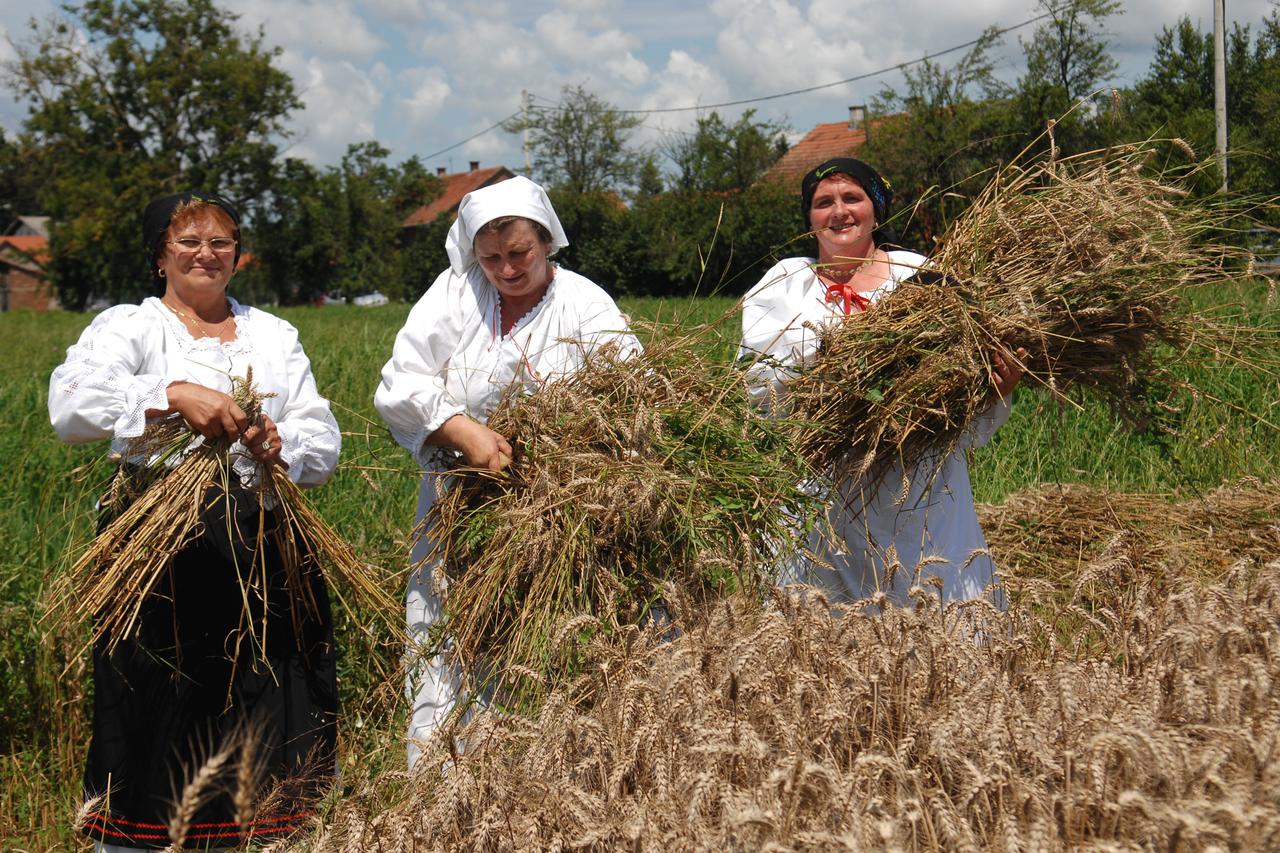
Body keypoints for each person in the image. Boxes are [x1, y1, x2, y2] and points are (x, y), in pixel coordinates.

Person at [48, 191, 341, 850]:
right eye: (188, 241)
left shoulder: (273, 334)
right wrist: (172, 395)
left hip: (263, 548)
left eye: (220, 242)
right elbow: (70, 406)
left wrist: (279, 442)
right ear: (160, 256)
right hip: (159, 554)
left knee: (269, 715)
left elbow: (321, 437)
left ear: (238, 256)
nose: (205, 254)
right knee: (158, 716)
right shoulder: (132, 327)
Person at [374, 175, 640, 768]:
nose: (507, 270)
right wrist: (460, 429)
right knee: (450, 636)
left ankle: (541, 784)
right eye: (491, 258)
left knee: (550, 642)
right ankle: (446, 787)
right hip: (458, 506)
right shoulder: (455, 294)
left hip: (557, 510)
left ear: (546, 241)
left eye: (519, 253)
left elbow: (628, 396)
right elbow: (400, 382)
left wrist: (563, 454)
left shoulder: (585, 304)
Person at [739, 158, 1022, 607]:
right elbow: (757, 381)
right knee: (826, 617)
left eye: (852, 198)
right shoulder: (785, 284)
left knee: (936, 605)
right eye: (823, 203)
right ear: (809, 218)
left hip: (919, 484)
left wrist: (996, 389)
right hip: (826, 488)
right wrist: (837, 362)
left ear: (876, 209)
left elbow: (961, 383)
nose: (839, 212)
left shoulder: (923, 277)